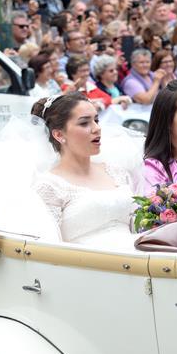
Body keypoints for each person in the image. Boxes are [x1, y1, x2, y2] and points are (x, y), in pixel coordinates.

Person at [32, 93, 138, 247]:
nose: (97, 129)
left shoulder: (116, 172)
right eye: (84, 123)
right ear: (59, 134)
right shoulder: (49, 186)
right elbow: (48, 248)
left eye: (96, 120)